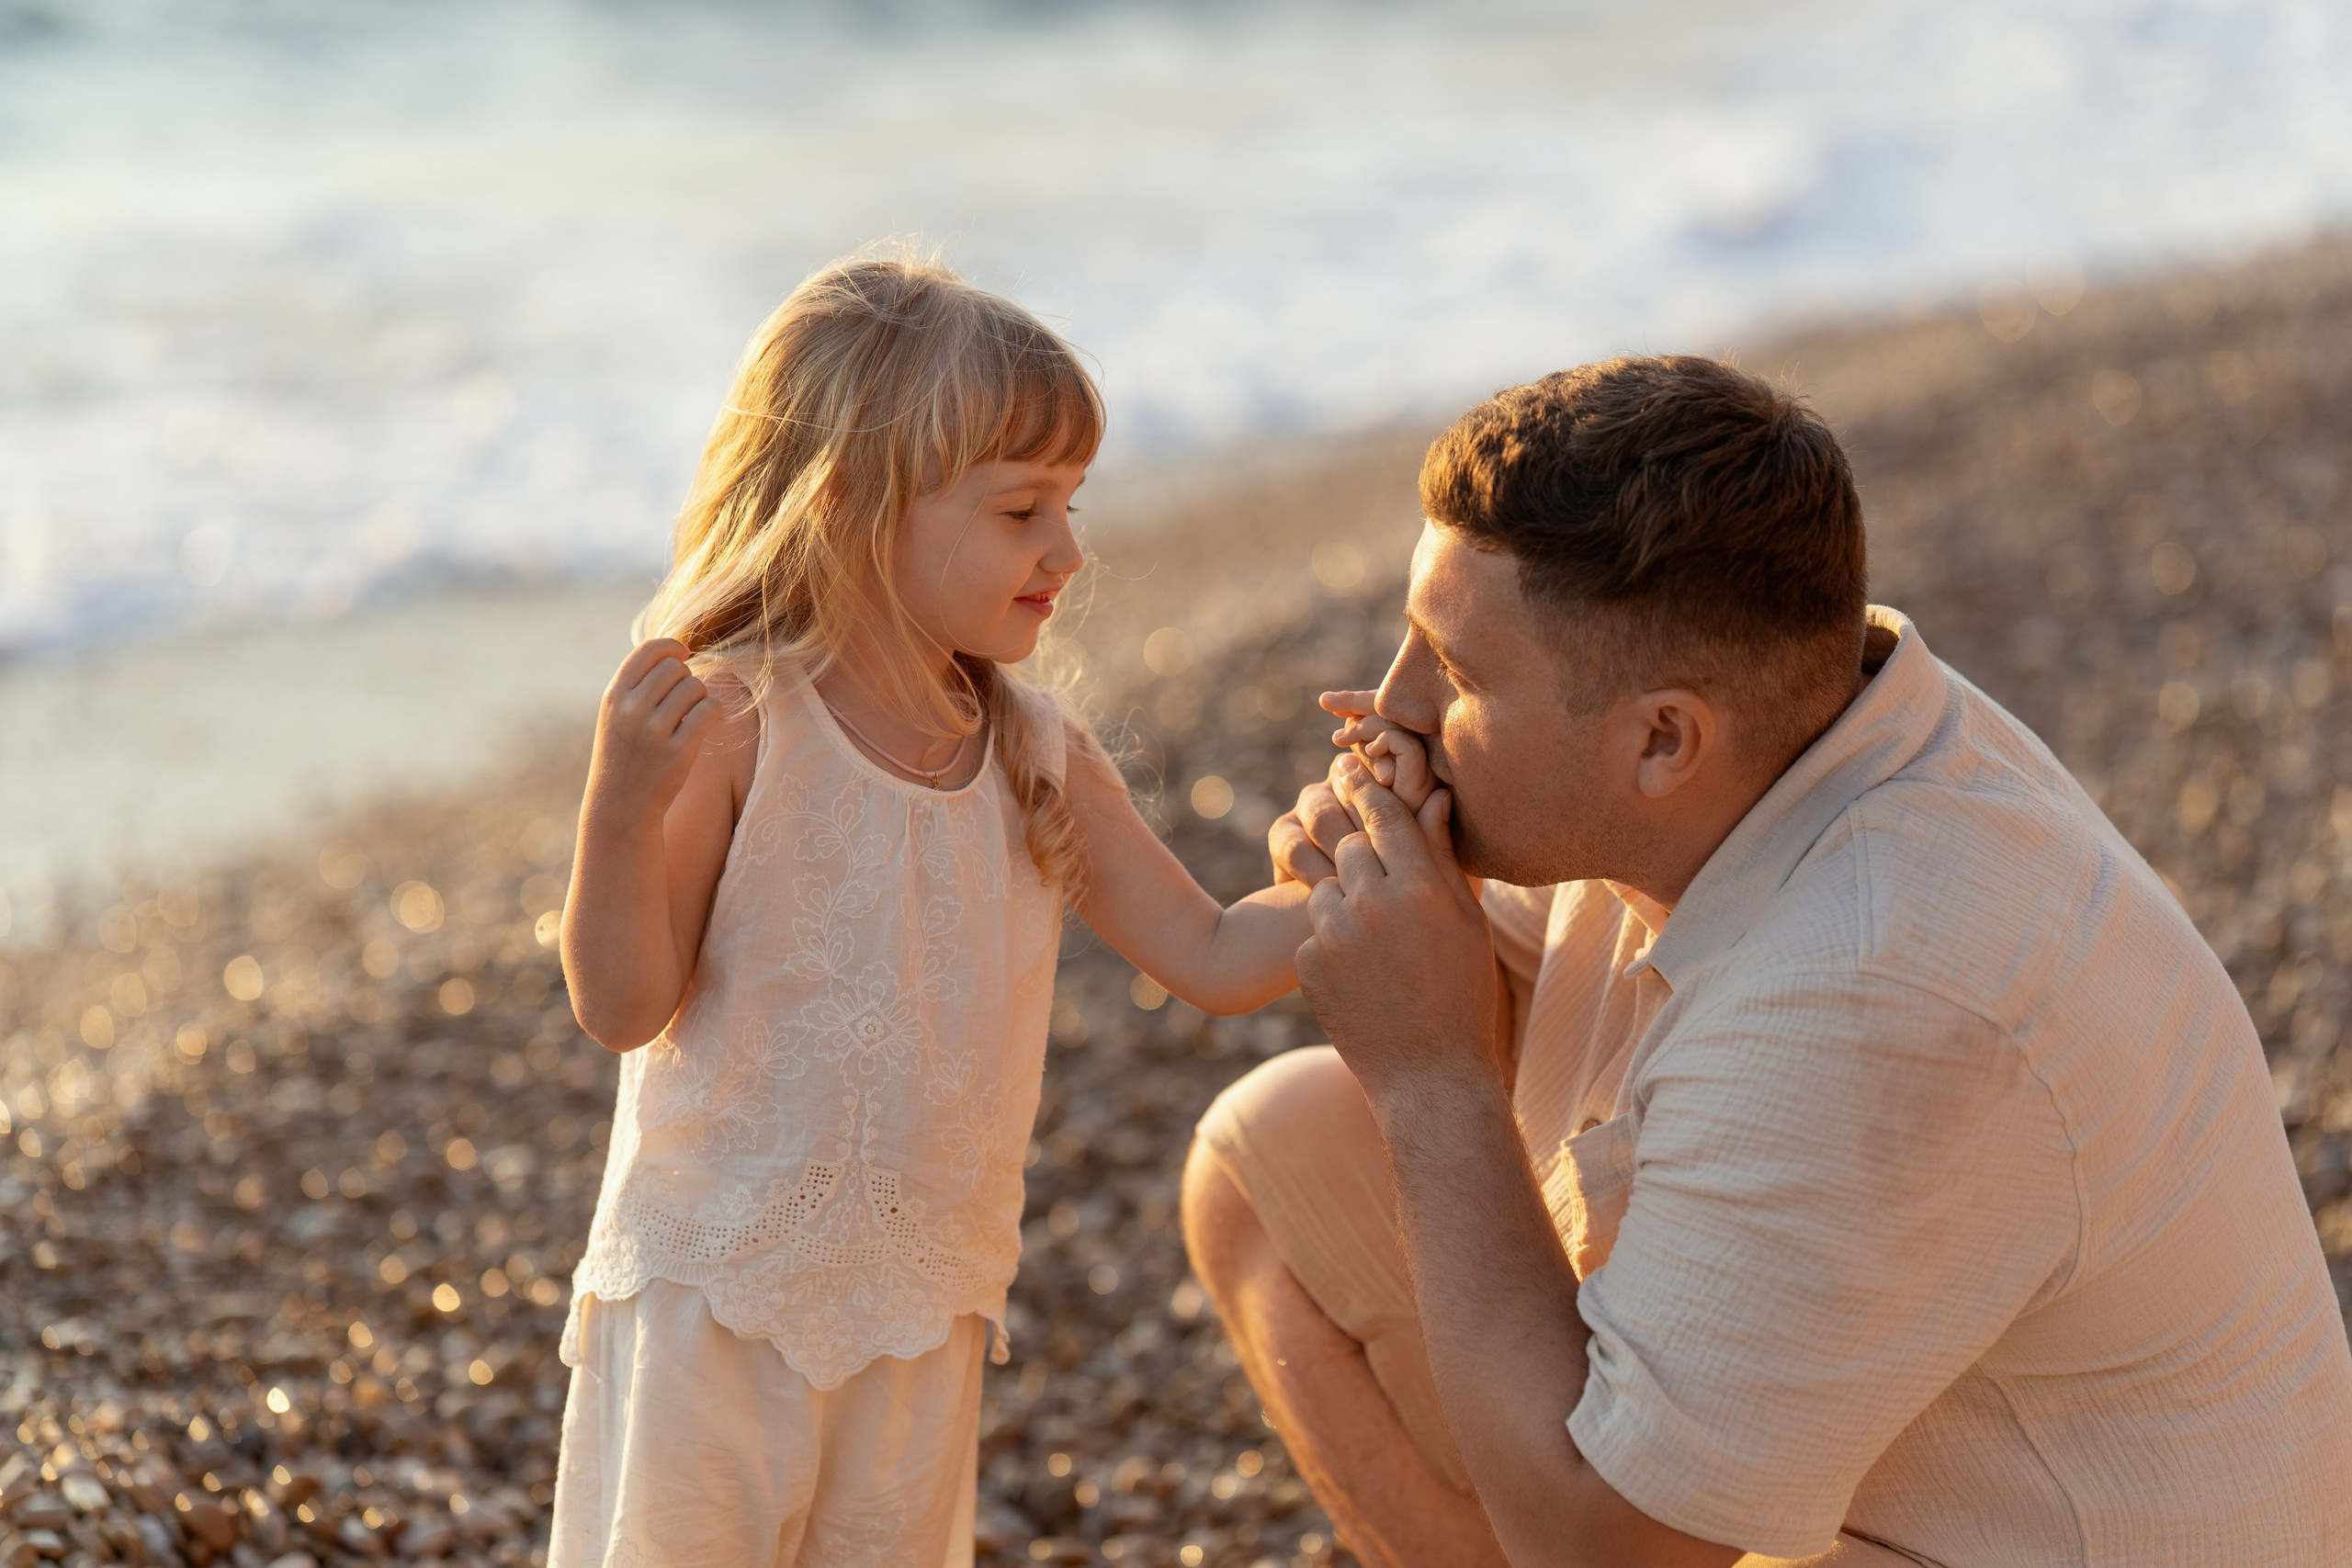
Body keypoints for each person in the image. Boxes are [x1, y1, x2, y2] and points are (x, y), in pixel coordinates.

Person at [1185, 355, 2352, 1567]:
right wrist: (1379, 910)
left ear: (1663, 738)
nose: (1391, 705)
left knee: (1550, 1461)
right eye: (1410, 643)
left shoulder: (1879, 979)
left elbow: (1606, 1552)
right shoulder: (1789, 740)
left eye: (1459, 675)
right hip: (1886, 1487)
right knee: (1278, 1154)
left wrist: (1432, 1076)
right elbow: (1408, 971)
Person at [543, 251, 1430, 1567]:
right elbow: (623, 1008)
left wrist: (1384, 841)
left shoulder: (1036, 747)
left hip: (922, 1312)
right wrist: (620, 810)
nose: (1068, 551)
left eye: (1070, 504)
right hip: (712, 1306)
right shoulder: (741, 721)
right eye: (1024, 511)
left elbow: (1213, 952)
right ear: (853, 503)